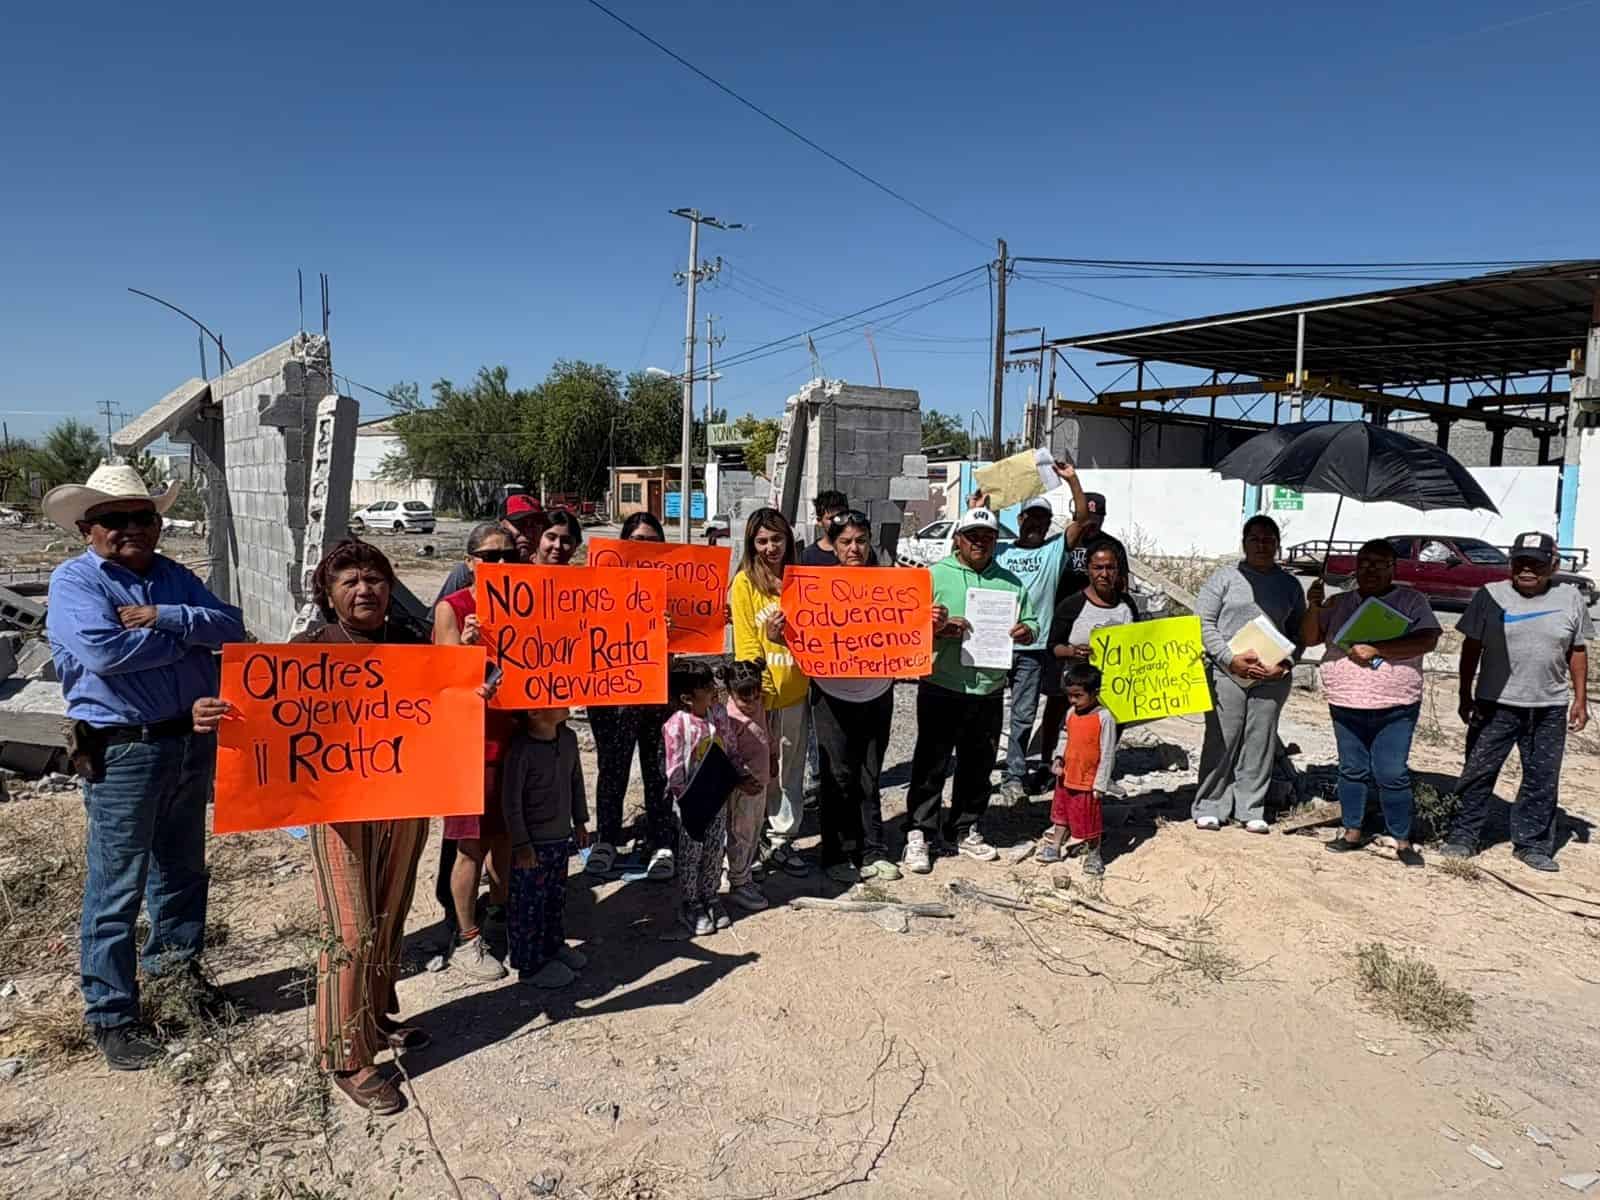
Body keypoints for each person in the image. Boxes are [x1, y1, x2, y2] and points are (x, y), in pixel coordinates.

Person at [195, 539, 431, 1115]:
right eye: (348, 580)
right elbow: (266, 711)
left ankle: (372, 1021)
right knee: (350, 929)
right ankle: (343, 1053)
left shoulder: (411, 644)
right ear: (327, 594)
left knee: (389, 915)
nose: (364, 590)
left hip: (404, 802)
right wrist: (216, 712)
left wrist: (474, 684)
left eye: (374, 578)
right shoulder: (308, 649)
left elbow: (444, 706)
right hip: (339, 811)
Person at [43, 463, 246, 1071]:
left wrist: (167, 618)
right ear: (88, 528)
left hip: (188, 740)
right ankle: (112, 1014)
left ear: (157, 524)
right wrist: (192, 639)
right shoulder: (76, 583)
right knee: (118, 886)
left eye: (142, 516)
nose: (131, 528)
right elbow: (104, 653)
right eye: (115, 518)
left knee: (182, 871)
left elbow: (232, 627)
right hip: (123, 749)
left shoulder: (174, 578)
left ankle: (177, 978)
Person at [1441, 532, 1592, 872]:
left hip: (1549, 706)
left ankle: (1533, 844)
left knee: (1542, 776)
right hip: (1494, 703)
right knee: (1477, 773)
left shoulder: (1570, 599)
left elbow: (1577, 650)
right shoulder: (1490, 596)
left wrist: (1580, 700)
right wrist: (1465, 693)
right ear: (1510, 563)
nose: (1527, 569)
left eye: (1536, 563)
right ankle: (1463, 836)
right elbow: (1470, 648)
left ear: (1553, 564)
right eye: (1520, 562)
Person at [902, 508, 1037, 873]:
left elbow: (1032, 622)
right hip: (941, 684)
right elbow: (907, 627)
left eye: (987, 537)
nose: (980, 542)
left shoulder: (1010, 583)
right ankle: (919, 832)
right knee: (931, 763)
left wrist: (1026, 630)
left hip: (989, 689)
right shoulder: (933, 576)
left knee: (978, 765)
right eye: (973, 535)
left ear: (996, 542)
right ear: (958, 538)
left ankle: (964, 828)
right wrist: (938, 629)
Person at [1301, 540, 1440, 868]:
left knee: (1391, 771)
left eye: (1379, 563)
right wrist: (1313, 606)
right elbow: (1310, 638)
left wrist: (1379, 649)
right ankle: (1351, 831)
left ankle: (1401, 838)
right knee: (1351, 769)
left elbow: (1428, 639)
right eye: (1364, 563)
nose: (1370, 569)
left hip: (1395, 703)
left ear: (1394, 568)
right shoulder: (1338, 602)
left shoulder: (1412, 600)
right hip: (1346, 699)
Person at [432, 522, 521, 981]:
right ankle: (467, 938)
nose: (501, 565)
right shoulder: (453, 608)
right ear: (470, 563)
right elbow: (442, 686)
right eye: (490, 556)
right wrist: (467, 650)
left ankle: (502, 914)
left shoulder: (529, 602)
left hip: (516, 740)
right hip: (473, 746)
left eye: (508, 555)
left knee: (505, 837)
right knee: (471, 845)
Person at [1193, 515, 1306, 833]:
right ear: (1244, 543)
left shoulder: (1290, 585)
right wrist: (1229, 659)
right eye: (1255, 539)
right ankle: (1210, 804)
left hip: (1272, 677)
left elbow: (1299, 633)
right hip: (1226, 673)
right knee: (1221, 739)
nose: (1261, 545)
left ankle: (1250, 806)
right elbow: (1203, 622)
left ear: (1277, 544)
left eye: (1268, 539)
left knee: (1260, 740)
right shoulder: (1224, 578)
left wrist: (1285, 664)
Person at [808, 511, 901, 884]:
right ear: (834, 545)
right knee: (837, 776)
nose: (854, 548)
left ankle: (874, 849)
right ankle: (837, 852)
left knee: (869, 773)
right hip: (831, 693)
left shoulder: (892, 585)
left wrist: (928, 619)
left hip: (878, 690)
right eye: (846, 541)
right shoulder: (816, 588)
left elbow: (907, 627)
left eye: (861, 540)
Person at [588, 511, 675, 880]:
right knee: (612, 768)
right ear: (623, 543)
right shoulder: (598, 584)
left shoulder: (675, 585)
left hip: (657, 691)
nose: (644, 548)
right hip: (612, 693)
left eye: (652, 542)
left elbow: (697, 629)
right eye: (637, 540)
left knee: (658, 770)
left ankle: (661, 842)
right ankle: (607, 840)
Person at [729, 508, 811, 876]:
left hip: (796, 690)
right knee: (759, 768)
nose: (770, 547)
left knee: (790, 768)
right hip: (761, 694)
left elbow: (821, 638)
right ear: (751, 544)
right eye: (761, 540)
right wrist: (755, 695)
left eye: (776, 538)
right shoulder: (744, 584)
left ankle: (783, 839)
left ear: (788, 540)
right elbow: (746, 644)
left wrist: (789, 638)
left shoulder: (804, 582)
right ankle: (752, 837)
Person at [995, 462, 1082, 804]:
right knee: (986, 714)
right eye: (1029, 517)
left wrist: (1073, 480)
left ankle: (1014, 776)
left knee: (1023, 714)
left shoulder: (1053, 551)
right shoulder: (1000, 550)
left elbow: (1082, 520)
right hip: (993, 646)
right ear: (1019, 520)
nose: (1034, 523)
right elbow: (967, 542)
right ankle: (981, 771)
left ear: (1048, 525)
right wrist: (983, 505)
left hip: (1032, 647)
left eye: (1041, 519)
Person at [664, 659, 761, 935]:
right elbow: (674, 769)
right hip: (692, 804)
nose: (713, 690)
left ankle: (711, 896)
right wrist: (687, 801)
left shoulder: (717, 714)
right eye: (706, 687)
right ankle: (690, 902)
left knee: (715, 848)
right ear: (686, 698)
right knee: (691, 853)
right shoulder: (676, 725)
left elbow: (729, 747)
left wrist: (740, 775)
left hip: (717, 796)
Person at [502, 706, 590, 987]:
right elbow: (511, 802)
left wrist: (580, 822)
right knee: (528, 905)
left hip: (560, 838)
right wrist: (521, 844)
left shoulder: (568, 739)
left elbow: (576, 780)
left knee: (555, 898)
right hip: (532, 845)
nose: (564, 701)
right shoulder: (521, 750)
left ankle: (554, 946)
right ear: (534, 713)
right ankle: (529, 965)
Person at [1039, 536, 1140, 764]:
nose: (1104, 573)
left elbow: (1141, 641)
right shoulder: (1072, 605)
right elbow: (1052, 646)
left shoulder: (1127, 605)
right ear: (1088, 570)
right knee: (1071, 738)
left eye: (1110, 567)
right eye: (1098, 567)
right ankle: (1053, 767)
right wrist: (1072, 652)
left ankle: (1100, 775)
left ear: (1118, 571)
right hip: (1077, 688)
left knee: (1106, 737)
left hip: (1116, 691)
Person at [1037, 662, 1116, 876]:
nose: (1073, 700)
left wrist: (1100, 783)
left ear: (1095, 692)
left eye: (1078, 695)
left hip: (1087, 780)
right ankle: (1055, 846)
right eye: (1070, 695)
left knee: (1089, 819)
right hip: (1066, 776)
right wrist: (1058, 759)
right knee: (1060, 814)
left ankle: (1093, 853)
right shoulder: (1072, 712)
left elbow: (1108, 753)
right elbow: (1066, 737)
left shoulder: (1105, 718)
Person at [721, 659, 774, 911]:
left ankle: (744, 874)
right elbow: (728, 756)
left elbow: (766, 732)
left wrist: (773, 757)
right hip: (743, 787)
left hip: (760, 782)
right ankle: (738, 883)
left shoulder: (758, 705)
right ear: (730, 692)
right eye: (745, 697)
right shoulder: (731, 718)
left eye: (756, 694)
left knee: (754, 831)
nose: (752, 700)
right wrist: (742, 779)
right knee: (740, 833)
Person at [433, 493, 545, 602]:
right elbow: (439, 618)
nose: (528, 533)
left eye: (534, 525)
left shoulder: (548, 571)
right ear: (501, 525)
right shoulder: (468, 570)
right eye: (519, 524)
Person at [801, 490, 851, 565]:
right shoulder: (808, 556)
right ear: (819, 521)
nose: (836, 521)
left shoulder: (860, 550)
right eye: (831, 518)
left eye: (840, 516)